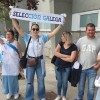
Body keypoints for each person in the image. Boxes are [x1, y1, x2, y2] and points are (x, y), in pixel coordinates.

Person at [11, 15, 65, 100]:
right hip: (30, 61)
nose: (35, 30)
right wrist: (12, 17)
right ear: (31, 30)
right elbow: (18, 28)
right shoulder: (27, 37)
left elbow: (53, 33)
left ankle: (42, 97)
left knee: (41, 80)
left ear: (38, 30)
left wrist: (60, 24)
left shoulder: (43, 38)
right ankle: (29, 97)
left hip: (40, 61)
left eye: (37, 29)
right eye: (33, 29)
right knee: (29, 82)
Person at [75, 23, 100, 100]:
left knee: (91, 88)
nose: (90, 31)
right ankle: (79, 98)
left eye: (92, 30)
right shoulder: (80, 40)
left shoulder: (99, 41)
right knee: (81, 86)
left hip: (93, 68)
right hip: (81, 68)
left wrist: (98, 65)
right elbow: (76, 52)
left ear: (95, 31)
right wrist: (76, 64)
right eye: (89, 30)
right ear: (86, 30)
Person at [54, 31, 77, 100]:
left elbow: (71, 59)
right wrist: (66, 56)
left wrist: (60, 56)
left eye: (62, 36)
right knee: (59, 82)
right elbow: (55, 53)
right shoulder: (61, 43)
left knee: (64, 82)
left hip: (67, 68)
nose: (61, 37)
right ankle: (58, 95)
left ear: (66, 37)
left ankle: (64, 96)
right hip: (58, 66)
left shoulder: (73, 47)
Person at [0, 29, 22, 99]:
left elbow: (20, 53)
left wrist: (20, 64)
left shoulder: (16, 43)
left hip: (14, 64)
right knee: (6, 79)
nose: (8, 35)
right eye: (7, 34)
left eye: (9, 34)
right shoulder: (3, 41)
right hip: (5, 65)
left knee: (13, 79)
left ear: (12, 35)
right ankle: (10, 92)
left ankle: (16, 92)